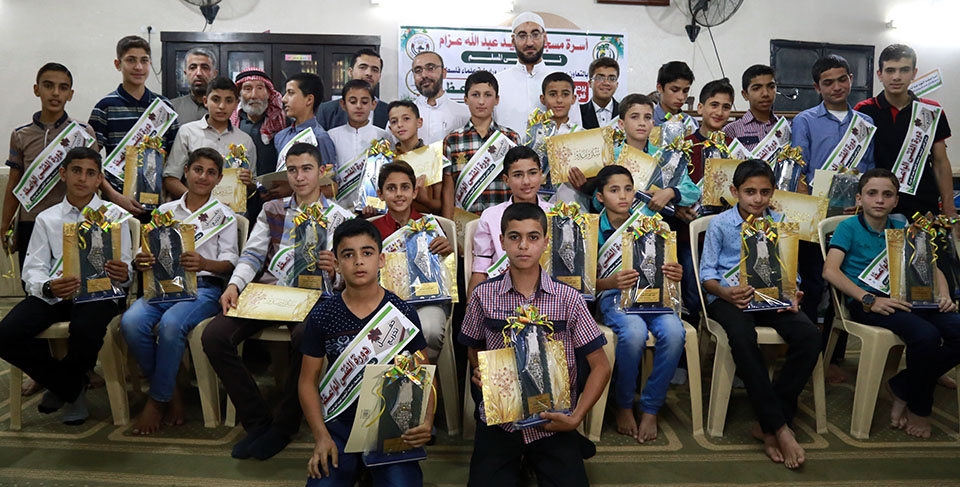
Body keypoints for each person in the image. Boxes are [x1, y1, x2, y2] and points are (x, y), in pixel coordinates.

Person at [202, 143, 339, 460]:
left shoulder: (338, 217)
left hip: (315, 296)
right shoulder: (272, 209)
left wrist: (334, 272)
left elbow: (344, 275)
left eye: (306, 169)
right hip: (270, 292)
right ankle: (258, 421)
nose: (299, 177)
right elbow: (252, 254)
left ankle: (284, 425)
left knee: (306, 336)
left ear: (321, 172)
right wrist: (234, 285)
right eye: (292, 170)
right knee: (214, 335)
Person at [460, 202, 610, 486]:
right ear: (502, 241)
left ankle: (560, 448)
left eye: (533, 237)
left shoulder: (568, 298)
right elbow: (473, 345)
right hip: (502, 420)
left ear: (545, 242)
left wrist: (576, 418)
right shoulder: (483, 295)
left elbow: (601, 366)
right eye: (514, 237)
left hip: (553, 422)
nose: (523, 245)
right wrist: (480, 368)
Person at [699, 159, 820, 469]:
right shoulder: (720, 224)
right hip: (729, 298)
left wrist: (793, 294)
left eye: (765, 192)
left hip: (771, 296)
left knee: (809, 335)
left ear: (773, 192)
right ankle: (779, 428)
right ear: (734, 191)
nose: (757, 199)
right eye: (749, 192)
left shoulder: (780, 222)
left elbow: (790, 271)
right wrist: (725, 293)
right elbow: (706, 274)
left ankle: (769, 423)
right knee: (742, 337)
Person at [823, 168, 960, 439]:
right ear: (859, 198)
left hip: (910, 299)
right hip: (868, 303)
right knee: (927, 336)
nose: (879, 200)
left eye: (887, 195)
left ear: (896, 201)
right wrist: (869, 299)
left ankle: (903, 385)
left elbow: (932, 267)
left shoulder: (902, 228)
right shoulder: (848, 228)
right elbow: (830, 271)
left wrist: (944, 294)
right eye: (872, 193)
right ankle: (920, 409)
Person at [0, 147, 132, 425]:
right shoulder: (47, 218)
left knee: (85, 328)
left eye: (91, 173)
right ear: (63, 174)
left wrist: (124, 273)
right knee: (6, 334)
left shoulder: (115, 216)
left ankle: (67, 388)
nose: (82, 178)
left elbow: (128, 270)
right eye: (76, 171)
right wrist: (49, 287)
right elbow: (33, 269)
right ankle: (69, 385)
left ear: (99, 180)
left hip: (100, 293)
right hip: (57, 294)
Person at [299, 218, 432, 486]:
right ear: (337, 264)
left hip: (390, 424)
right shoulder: (322, 315)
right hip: (339, 425)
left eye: (367, 253)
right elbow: (307, 382)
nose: (359, 261)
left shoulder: (402, 312)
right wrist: (321, 436)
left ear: (381, 260)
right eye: (348, 255)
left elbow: (423, 375)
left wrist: (427, 422)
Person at [123, 147, 238, 435]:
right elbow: (144, 253)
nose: (203, 177)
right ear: (186, 171)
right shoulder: (164, 211)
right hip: (163, 286)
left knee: (172, 325)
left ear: (219, 179)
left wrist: (204, 263)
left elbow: (230, 264)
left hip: (204, 289)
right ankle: (171, 390)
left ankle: (157, 400)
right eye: (198, 170)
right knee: (131, 322)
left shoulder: (224, 215)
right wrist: (141, 260)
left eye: (211, 173)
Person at [792, 55, 877, 382]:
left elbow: (869, 170)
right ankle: (809, 357)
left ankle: (833, 356)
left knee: (845, 286)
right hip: (815, 219)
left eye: (842, 79)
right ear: (817, 87)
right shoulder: (805, 120)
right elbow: (798, 170)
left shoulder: (865, 125)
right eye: (828, 82)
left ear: (851, 79)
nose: (837, 87)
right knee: (814, 286)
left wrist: (860, 204)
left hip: (852, 219)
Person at [591, 164, 686, 443]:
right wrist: (609, 282)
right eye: (614, 190)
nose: (623, 196)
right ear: (600, 197)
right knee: (633, 333)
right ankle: (623, 404)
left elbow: (669, 269)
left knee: (675, 333)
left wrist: (676, 272)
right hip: (614, 297)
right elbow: (580, 282)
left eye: (628, 189)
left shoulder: (651, 223)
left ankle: (651, 407)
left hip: (655, 298)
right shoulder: (591, 228)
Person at [2, 63, 98, 273]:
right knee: (32, 282)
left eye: (63, 88)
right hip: (30, 221)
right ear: (36, 89)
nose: (55, 93)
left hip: (72, 221)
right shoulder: (20, 135)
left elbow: (95, 180)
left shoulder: (83, 132)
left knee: (74, 282)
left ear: (70, 94)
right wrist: (5, 224)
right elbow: (13, 183)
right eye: (48, 85)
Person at [854, 44, 955, 220]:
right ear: (880, 74)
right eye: (890, 70)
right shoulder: (863, 110)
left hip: (922, 205)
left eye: (904, 70)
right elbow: (856, 161)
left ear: (914, 73)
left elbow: (940, 162)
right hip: (877, 204)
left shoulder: (930, 111)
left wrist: (949, 208)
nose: (897, 77)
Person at [89, 35, 179, 217]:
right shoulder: (105, 107)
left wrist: (169, 198)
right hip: (116, 204)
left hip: (159, 205)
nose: (138, 67)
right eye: (131, 60)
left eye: (144, 61)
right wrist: (113, 195)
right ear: (118, 64)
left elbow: (174, 159)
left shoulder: (164, 107)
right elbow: (91, 161)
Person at [372, 161, 453, 361]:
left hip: (427, 302)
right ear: (380, 194)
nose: (399, 194)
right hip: (384, 303)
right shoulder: (371, 230)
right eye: (391, 188)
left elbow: (446, 273)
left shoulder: (431, 225)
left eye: (405, 187)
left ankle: (424, 375)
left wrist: (447, 250)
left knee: (431, 329)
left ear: (415, 192)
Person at [469, 146, 552, 297]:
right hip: (502, 295)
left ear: (541, 175)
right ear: (506, 179)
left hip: (549, 295)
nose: (526, 181)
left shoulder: (556, 214)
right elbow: (481, 270)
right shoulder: (490, 217)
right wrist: (470, 305)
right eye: (518, 175)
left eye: (532, 173)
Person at [441, 70, 521, 218]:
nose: (481, 101)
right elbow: (448, 191)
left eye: (488, 95)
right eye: (475, 95)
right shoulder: (452, 140)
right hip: (465, 222)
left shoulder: (511, 138)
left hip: (503, 221)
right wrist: (448, 226)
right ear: (465, 99)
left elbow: (518, 183)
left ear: (497, 100)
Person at [163, 76, 257, 199]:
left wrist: (249, 183)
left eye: (228, 101)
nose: (222, 106)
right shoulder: (187, 132)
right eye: (216, 100)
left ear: (236, 104)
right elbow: (170, 178)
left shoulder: (245, 140)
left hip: (231, 209)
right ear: (205, 101)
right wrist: (197, 201)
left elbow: (253, 185)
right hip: (194, 209)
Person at [328, 79, 392, 210]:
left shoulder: (383, 137)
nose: (358, 106)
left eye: (364, 102)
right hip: (338, 208)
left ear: (373, 104)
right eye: (352, 102)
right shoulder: (331, 136)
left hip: (373, 209)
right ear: (343, 104)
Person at [273, 72, 338, 201]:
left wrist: (292, 189)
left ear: (309, 99)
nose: (284, 99)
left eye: (291, 93)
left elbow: (331, 187)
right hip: (283, 208)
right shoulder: (280, 136)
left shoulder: (320, 137)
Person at [494, 12, 561, 134]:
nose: (529, 42)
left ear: (545, 38)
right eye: (522, 36)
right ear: (513, 40)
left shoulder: (562, 82)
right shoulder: (497, 82)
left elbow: (575, 129)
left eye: (535, 35)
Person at [387, 100, 447, 214]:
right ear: (390, 129)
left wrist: (425, 199)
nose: (400, 124)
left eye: (406, 119)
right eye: (394, 121)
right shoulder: (388, 159)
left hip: (426, 221)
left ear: (419, 122)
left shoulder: (433, 156)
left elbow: (442, 205)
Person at [316, 49, 389, 130]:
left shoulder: (389, 112)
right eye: (362, 67)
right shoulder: (326, 111)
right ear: (350, 72)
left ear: (379, 76)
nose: (368, 73)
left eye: (374, 70)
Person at [411, 51, 469, 145]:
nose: (424, 75)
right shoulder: (403, 116)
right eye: (418, 70)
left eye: (430, 68)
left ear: (444, 72)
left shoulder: (464, 114)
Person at [684, 78, 735, 184]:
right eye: (714, 105)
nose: (719, 112)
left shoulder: (732, 147)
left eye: (726, 107)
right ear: (700, 108)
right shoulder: (685, 146)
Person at [723, 65, 784, 151]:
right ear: (745, 95)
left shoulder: (786, 127)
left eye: (771, 87)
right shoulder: (731, 131)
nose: (765, 93)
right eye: (757, 88)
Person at [170, 47, 218, 124]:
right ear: (185, 73)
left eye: (205, 68)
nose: (199, 73)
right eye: (193, 68)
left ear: (214, 74)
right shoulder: (171, 108)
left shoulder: (224, 108)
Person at [654, 61, 698, 132]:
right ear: (660, 88)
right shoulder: (648, 120)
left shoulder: (690, 122)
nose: (681, 97)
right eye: (674, 90)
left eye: (685, 91)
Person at [579, 57, 620, 130]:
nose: (606, 83)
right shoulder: (578, 113)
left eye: (612, 78)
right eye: (600, 78)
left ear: (617, 84)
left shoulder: (625, 113)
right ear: (590, 83)